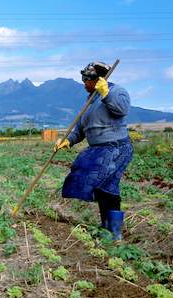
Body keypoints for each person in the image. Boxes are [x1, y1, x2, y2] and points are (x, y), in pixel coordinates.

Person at [54, 61, 133, 240]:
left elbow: (121, 109)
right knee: (89, 180)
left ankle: (114, 233)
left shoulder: (115, 92)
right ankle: (106, 226)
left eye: (87, 80)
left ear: (99, 79)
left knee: (107, 186)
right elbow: (81, 129)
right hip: (98, 150)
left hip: (116, 148)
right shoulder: (90, 100)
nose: (84, 84)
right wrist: (68, 140)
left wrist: (106, 94)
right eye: (83, 79)